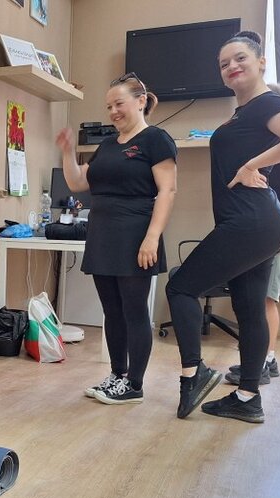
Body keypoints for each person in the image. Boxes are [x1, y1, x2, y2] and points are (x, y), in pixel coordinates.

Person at [165, 31, 280, 423]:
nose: (231, 66)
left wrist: (253, 165)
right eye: (224, 63)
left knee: (181, 286)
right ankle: (248, 398)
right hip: (257, 224)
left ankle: (193, 375)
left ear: (261, 63)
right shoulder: (244, 112)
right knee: (249, 308)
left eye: (240, 59)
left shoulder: (269, 103)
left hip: (251, 222)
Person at [55, 72, 177, 405]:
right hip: (103, 235)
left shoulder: (156, 139)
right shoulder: (108, 145)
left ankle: (134, 384)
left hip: (136, 235)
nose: (113, 112)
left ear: (141, 101)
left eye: (118, 104)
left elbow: (167, 191)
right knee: (112, 311)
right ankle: (117, 375)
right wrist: (67, 151)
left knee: (134, 310)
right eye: (108, 106)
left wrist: (152, 238)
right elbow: (79, 183)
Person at [225, 84, 280, 387]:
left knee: (265, 298)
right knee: (254, 297)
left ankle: (264, 361)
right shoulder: (268, 144)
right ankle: (261, 358)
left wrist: (279, 234)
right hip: (262, 229)